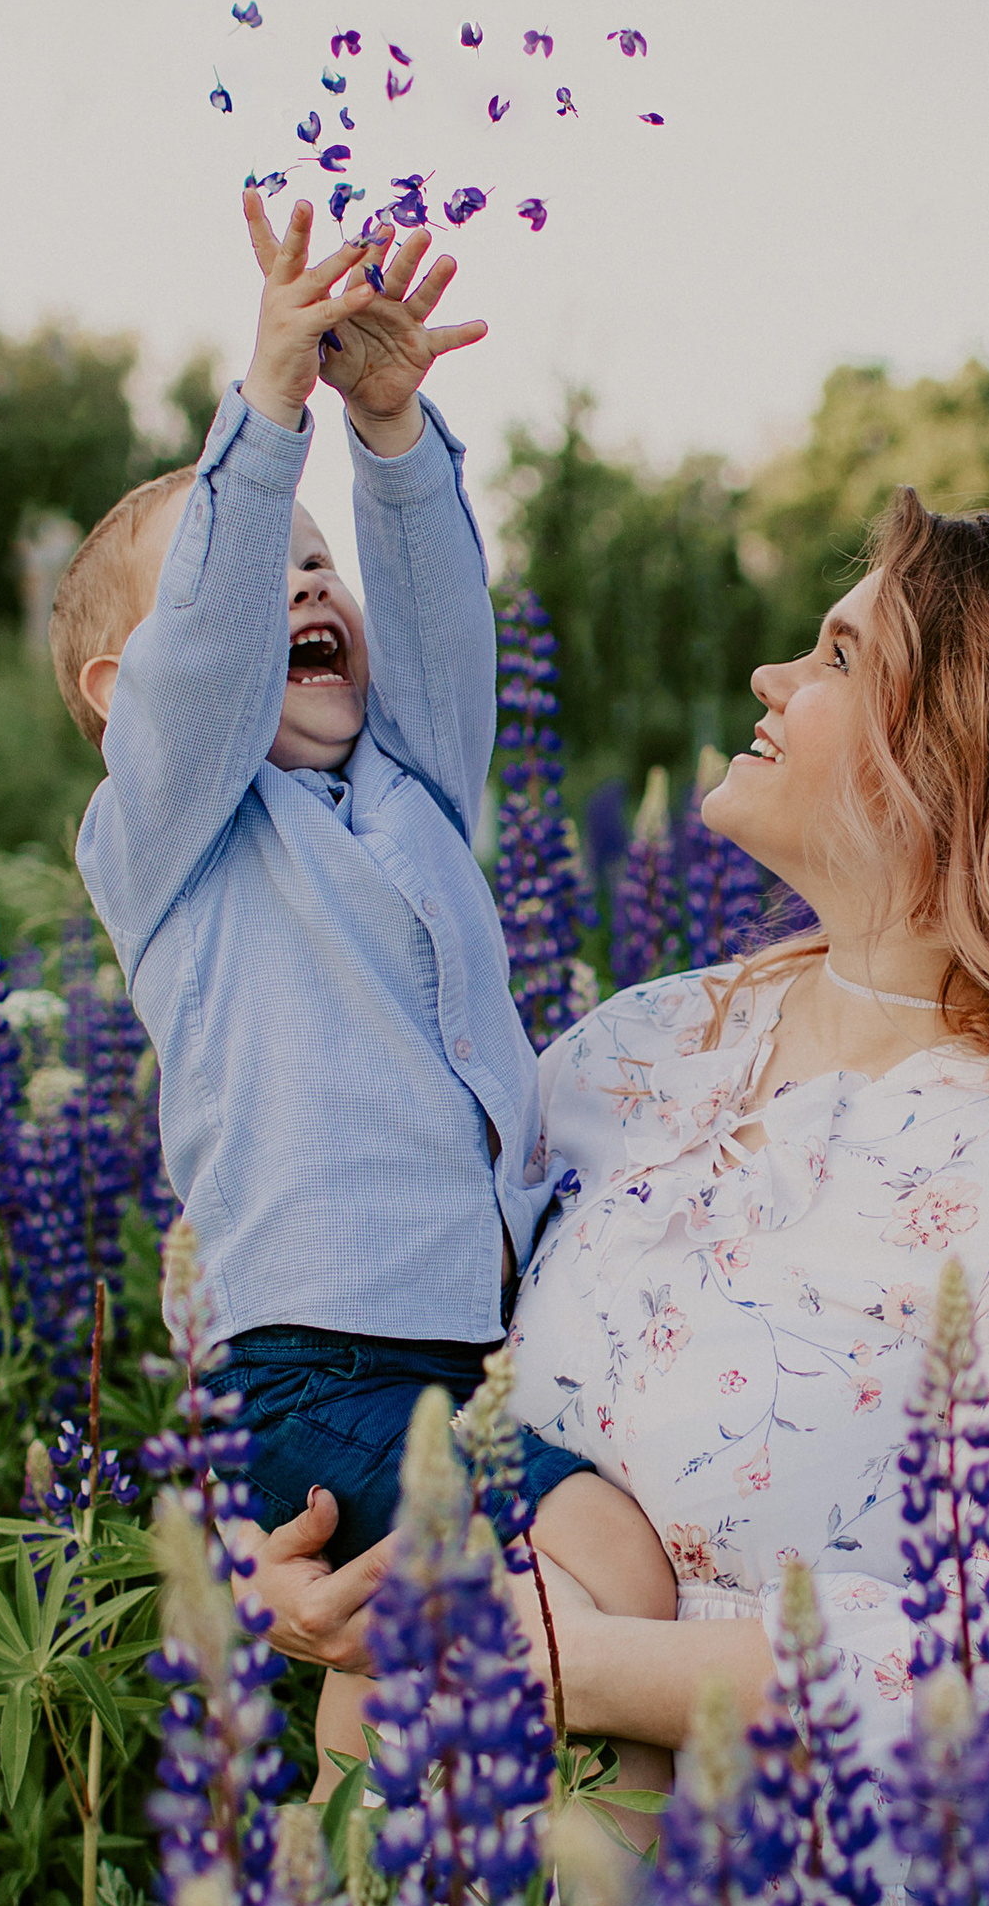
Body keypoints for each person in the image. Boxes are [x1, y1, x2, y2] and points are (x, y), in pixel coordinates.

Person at [253, 486, 989, 1867]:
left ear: (962, 758)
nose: (771, 675)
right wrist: (314, 1553)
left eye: (840, 658)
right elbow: (388, 1333)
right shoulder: (643, 1050)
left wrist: (595, 1668)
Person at [52, 190, 675, 1765]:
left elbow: (438, 622)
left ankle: (398, 1853)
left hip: (480, 1344)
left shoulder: (409, 788)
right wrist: (264, 420)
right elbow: (202, 662)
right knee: (599, 1557)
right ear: (130, 698)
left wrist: (387, 434)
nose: (307, 584)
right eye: (267, 566)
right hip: (315, 1362)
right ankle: (372, 1887)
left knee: (551, 1603)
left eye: (317, 561)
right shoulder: (172, 836)